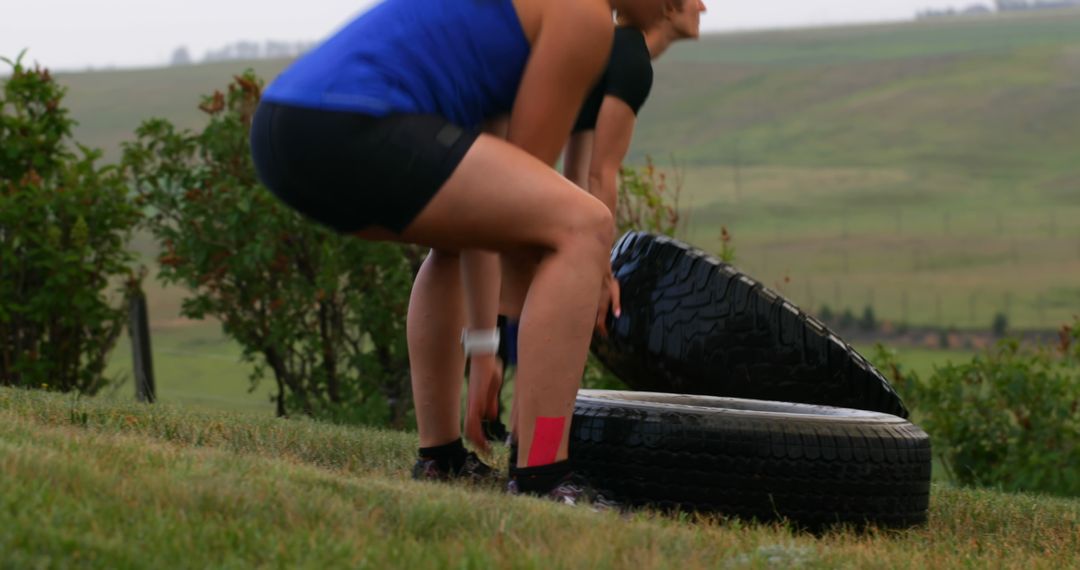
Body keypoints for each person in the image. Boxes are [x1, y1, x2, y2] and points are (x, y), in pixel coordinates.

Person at [250, 0, 668, 503]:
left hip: (284, 129)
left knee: (453, 239)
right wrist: (503, 354)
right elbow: (525, 200)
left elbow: (492, 218)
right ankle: (543, 478)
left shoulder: (513, 22)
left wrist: (485, 348)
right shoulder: (582, 14)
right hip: (350, 121)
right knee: (584, 224)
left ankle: (440, 458)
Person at [461, 0, 709, 465]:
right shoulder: (630, 59)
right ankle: (534, 456)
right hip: (496, 158)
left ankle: (519, 442)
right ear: (666, 7)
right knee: (566, 307)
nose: (704, 6)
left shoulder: (615, 49)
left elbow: (578, 163)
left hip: (490, 147)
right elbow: (601, 174)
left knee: (530, 290)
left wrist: (567, 240)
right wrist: (597, 264)